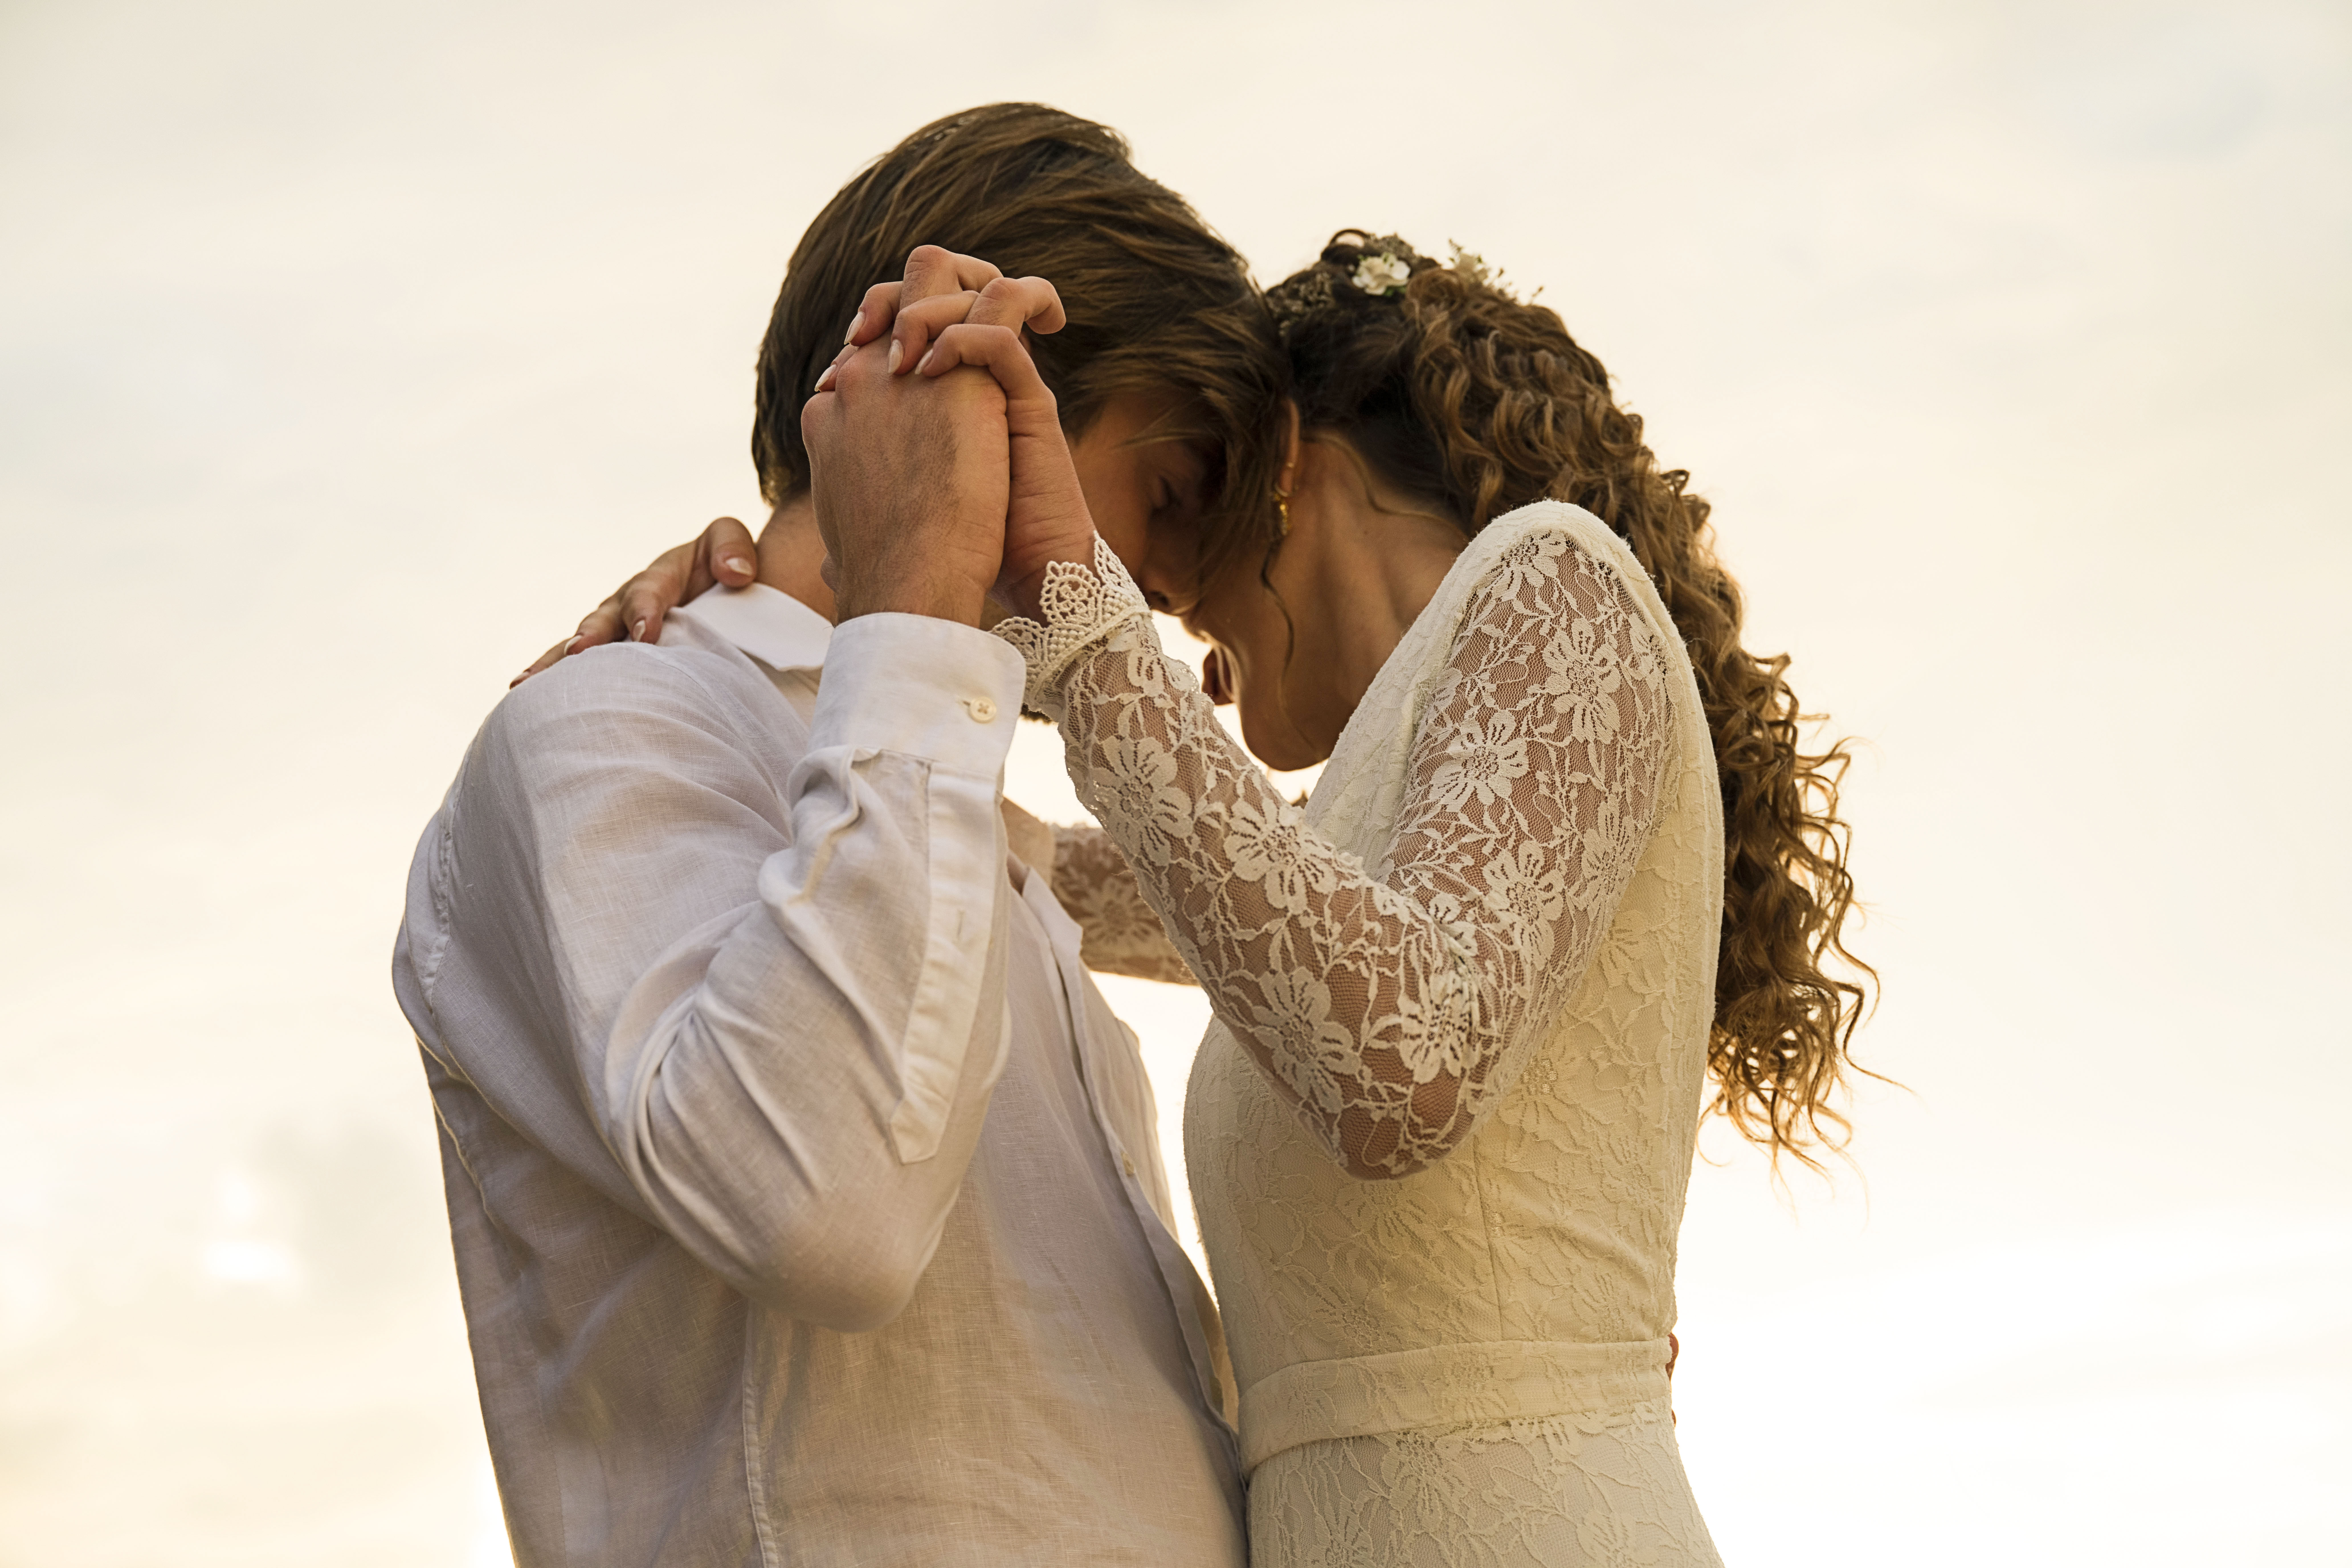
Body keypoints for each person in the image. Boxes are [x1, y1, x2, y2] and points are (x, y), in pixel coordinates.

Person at [612, 228, 1869, 1565]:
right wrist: (743, 649)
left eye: (1183, 523)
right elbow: (1046, 862)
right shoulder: (1344, 844)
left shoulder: (1559, 577)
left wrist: (1081, 621)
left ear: (1295, 463)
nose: (1168, 613)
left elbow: (1404, 1057)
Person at [393, 103, 1293, 1567]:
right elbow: (826, 1205)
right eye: (1172, 492)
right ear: (987, 387)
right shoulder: (604, 727)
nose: (1170, 593)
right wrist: (923, 581)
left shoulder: (959, 811)